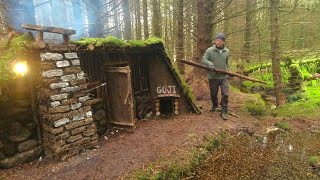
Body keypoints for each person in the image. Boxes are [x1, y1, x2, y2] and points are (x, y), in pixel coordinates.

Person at [201, 32, 230, 120]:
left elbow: (227, 62)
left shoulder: (227, 51)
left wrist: (228, 71)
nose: (217, 42)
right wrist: (210, 64)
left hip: (223, 77)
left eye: (220, 41)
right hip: (213, 77)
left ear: (223, 42)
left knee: (225, 94)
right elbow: (203, 59)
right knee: (213, 94)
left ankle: (224, 111)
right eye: (216, 40)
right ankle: (215, 105)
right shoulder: (210, 50)